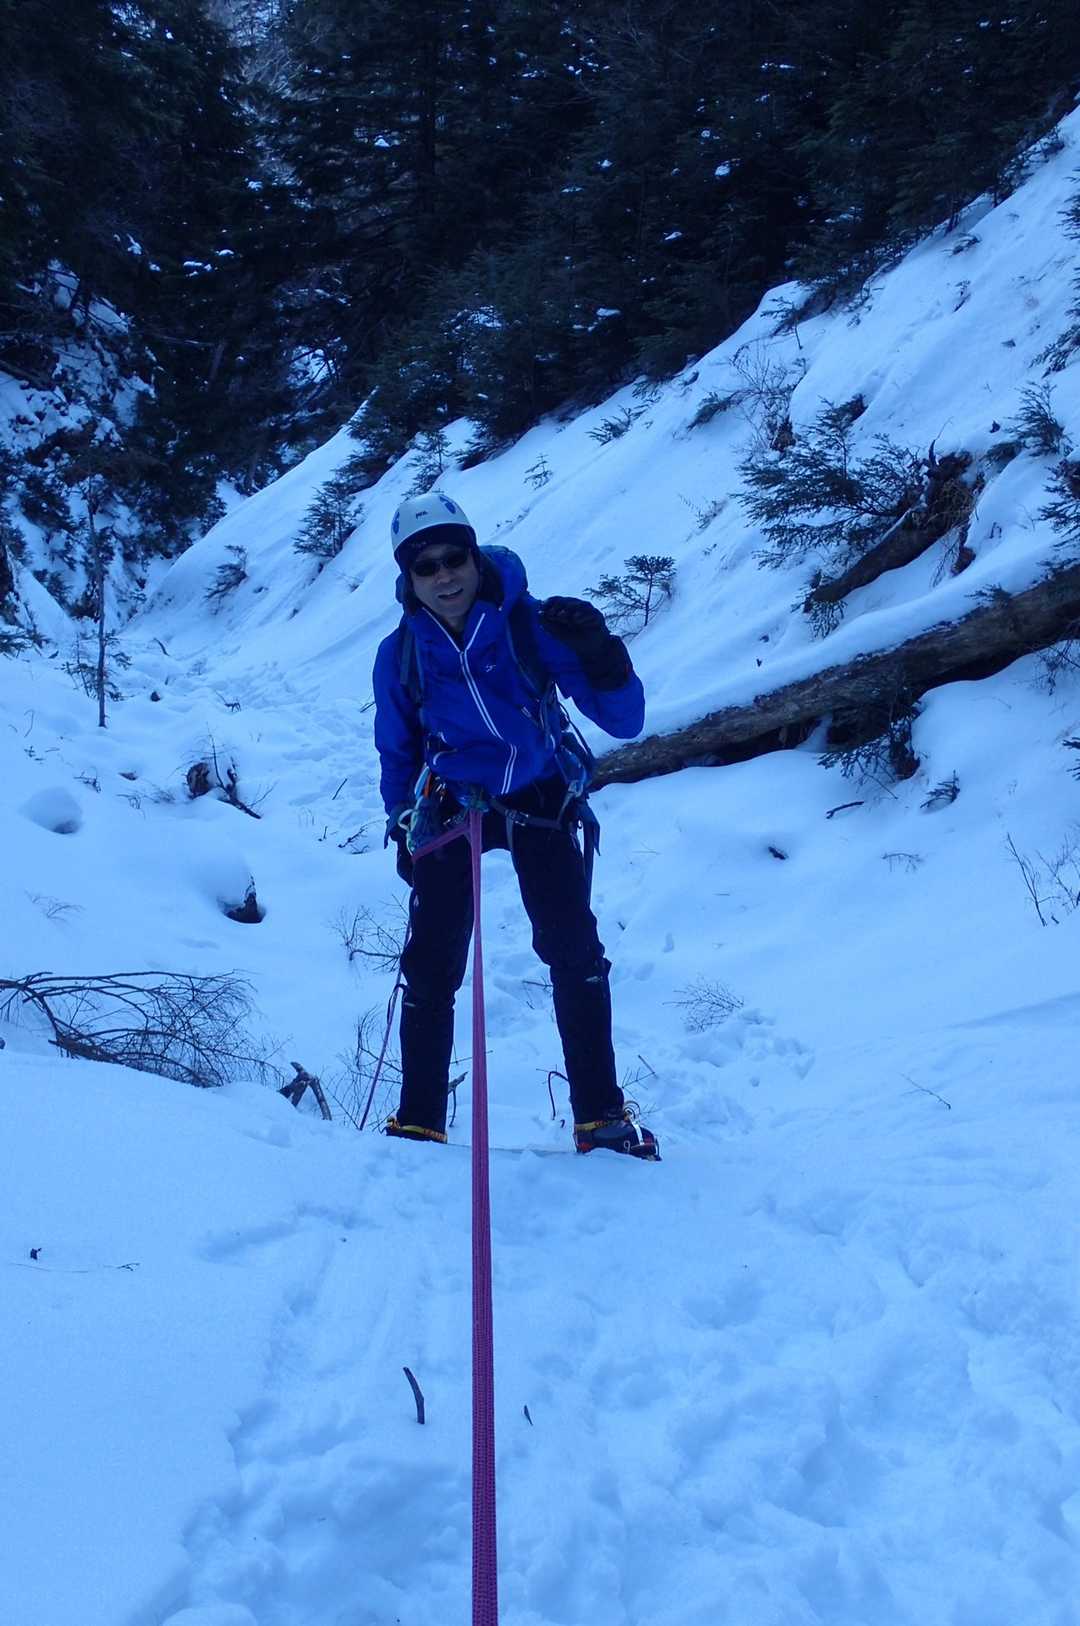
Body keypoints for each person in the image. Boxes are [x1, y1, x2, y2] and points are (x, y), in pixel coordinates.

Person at [372, 491, 658, 1159]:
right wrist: (402, 818)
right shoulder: (402, 653)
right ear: (408, 578)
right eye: (425, 566)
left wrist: (603, 657)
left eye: (454, 558)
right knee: (431, 962)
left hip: (539, 795)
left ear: (475, 557)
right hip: (453, 801)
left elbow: (626, 722)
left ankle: (600, 1118)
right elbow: (397, 749)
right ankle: (418, 1124)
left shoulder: (531, 625)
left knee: (573, 951)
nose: (444, 576)